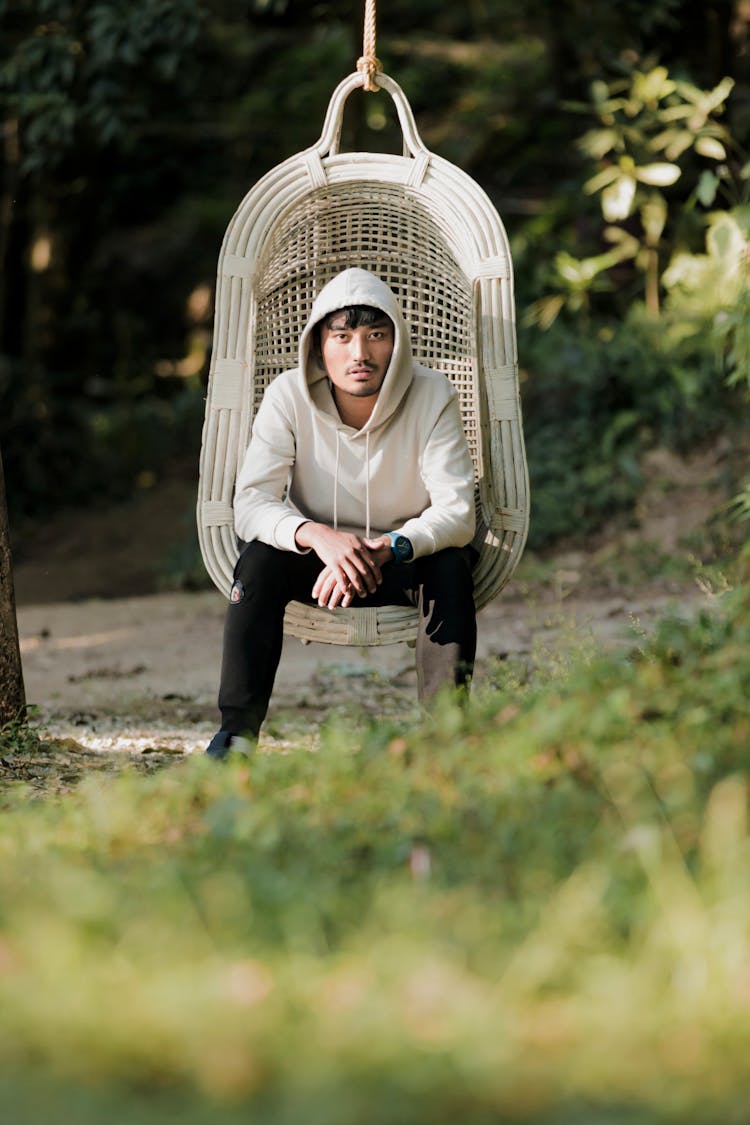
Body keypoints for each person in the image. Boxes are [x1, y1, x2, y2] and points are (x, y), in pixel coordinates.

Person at [206, 267, 477, 759]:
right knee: (260, 562)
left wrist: (392, 546)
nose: (360, 353)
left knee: (451, 566)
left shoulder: (433, 393)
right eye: (343, 336)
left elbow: (457, 510)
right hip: (321, 564)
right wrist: (316, 536)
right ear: (318, 345)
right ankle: (236, 737)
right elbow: (250, 502)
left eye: (376, 335)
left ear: (396, 341)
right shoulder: (288, 396)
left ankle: (446, 741)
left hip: (400, 558)